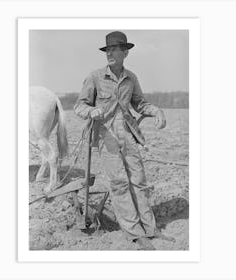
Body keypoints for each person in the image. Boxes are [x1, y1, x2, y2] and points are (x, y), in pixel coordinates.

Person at [74, 31, 167, 250]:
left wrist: (156, 111)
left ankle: (151, 229)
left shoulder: (131, 78)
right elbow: (79, 106)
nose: (111, 54)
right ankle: (135, 233)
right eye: (108, 50)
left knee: (139, 180)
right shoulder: (95, 77)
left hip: (128, 134)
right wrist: (92, 111)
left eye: (115, 49)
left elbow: (140, 104)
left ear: (126, 52)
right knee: (119, 184)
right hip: (106, 137)